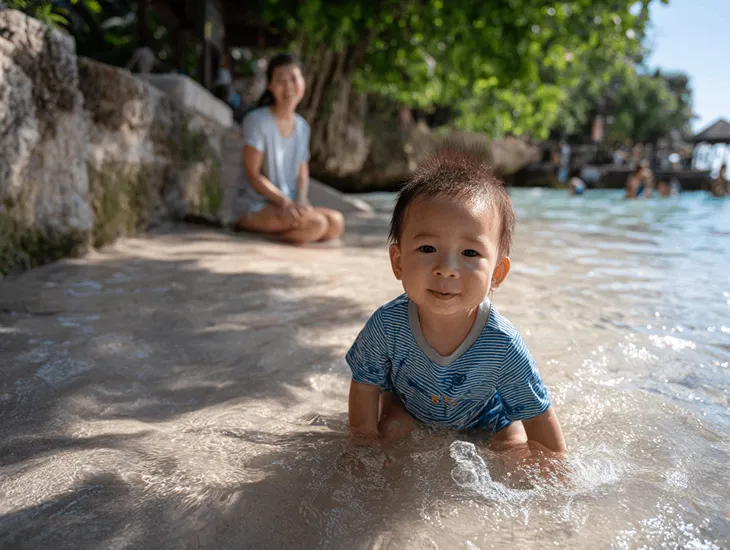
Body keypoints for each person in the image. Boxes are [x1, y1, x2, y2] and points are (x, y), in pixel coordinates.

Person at [346, 144, 567, 460]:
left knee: (513, 448)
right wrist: (362, 442)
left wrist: (556, 469)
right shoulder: (387, 325)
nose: (446, 269)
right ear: (398, 261)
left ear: (497, 274)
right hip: (410, 407)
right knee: (390, 430)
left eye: (470, 253)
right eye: (427, 249)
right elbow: (365, 384)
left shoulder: (501, 343)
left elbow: (537, 413)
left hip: (487, 418)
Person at [237, 54, 344, 243]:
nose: (289, 87)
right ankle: (262, 237)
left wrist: (301, 200)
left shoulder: (302, 127)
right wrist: (285, 202)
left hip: (288, 204)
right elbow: (253, 174)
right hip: (255, 205)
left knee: (336, 223)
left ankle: (283, 231)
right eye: (281, 80)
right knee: (316, 225)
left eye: (294, 79)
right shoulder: (257, 121)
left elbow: (302, 174)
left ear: (303, 82)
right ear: (270, 86)